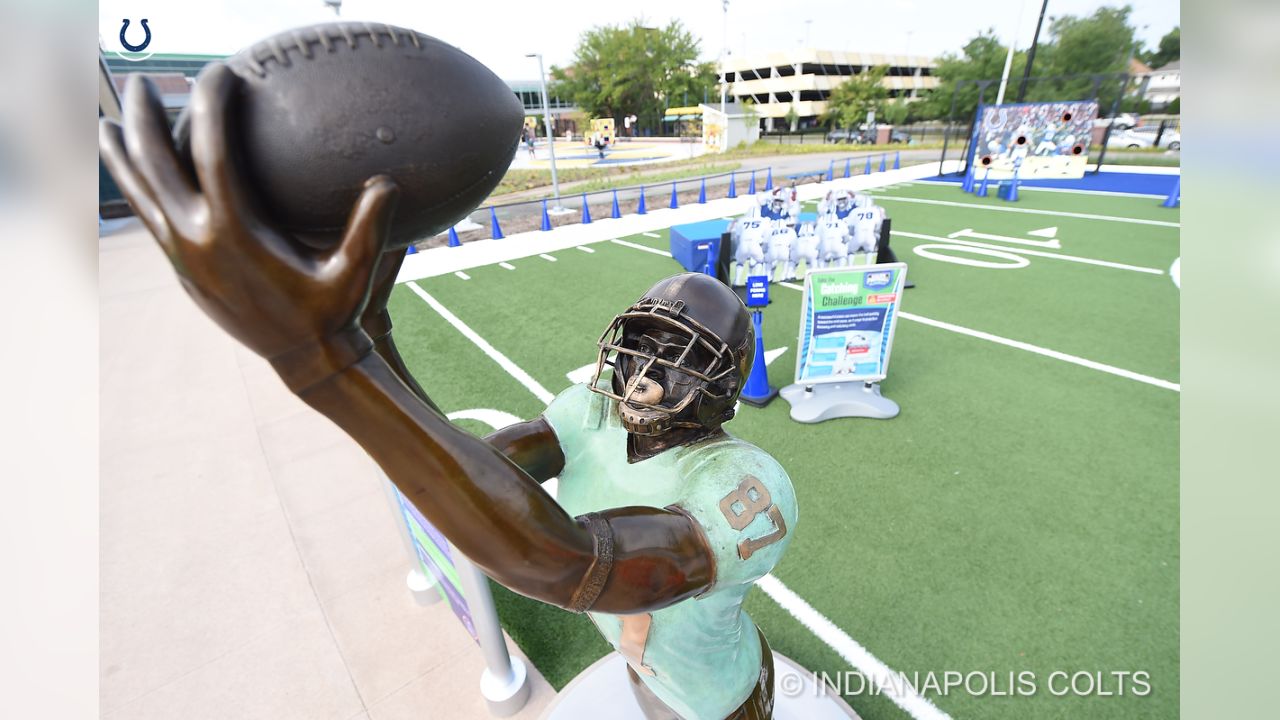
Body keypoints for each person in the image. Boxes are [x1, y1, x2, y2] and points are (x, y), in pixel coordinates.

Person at [99, 67, 796, 720]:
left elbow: (569, 563)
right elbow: (465, 472)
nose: (645, 367)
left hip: (719, 698)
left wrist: (328, 363)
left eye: (680, 357)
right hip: (645, 663)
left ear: (724, 386)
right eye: (642, 341)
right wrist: (374, 337)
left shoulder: (744, 486)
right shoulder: (590, 411)